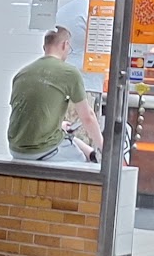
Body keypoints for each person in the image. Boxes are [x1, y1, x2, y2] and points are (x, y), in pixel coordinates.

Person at [8, 26, 101, 164]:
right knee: (85, 164)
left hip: (16, 149)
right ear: (65, 45)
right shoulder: (69, 73)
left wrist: (59, 125)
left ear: (44, 47)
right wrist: (104, 147)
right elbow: (88, 117)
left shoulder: (21, 74)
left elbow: (29, 113)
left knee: (69, 138)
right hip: (43, 150)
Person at [56, 0, 111, 91]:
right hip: (87, 82)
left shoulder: (63, 10)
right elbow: (105, 44)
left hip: (63, 78)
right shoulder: (95, 12)